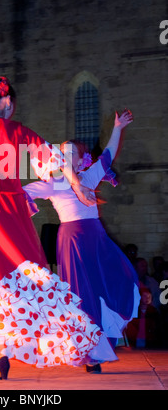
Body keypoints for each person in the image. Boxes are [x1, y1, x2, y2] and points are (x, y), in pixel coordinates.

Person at [0, 70, 116, 378]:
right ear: (7, 101)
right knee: (27, 280)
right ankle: (84, 348)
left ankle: (0, 352)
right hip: (11, 211)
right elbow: (57, 161)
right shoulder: (19, 131)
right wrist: (79, 187)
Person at [23, 109, 140, 372]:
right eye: (61, 152)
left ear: (79, 159)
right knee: (82, 295)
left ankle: (103, 339)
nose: (64, 155)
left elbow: (108, 154)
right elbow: (23, 192)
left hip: (96, 237)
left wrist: (118, 127)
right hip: (73, 240)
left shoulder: (89, 177)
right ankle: (90, 353)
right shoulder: (53, 183)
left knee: (123, 277)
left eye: (70, 152)